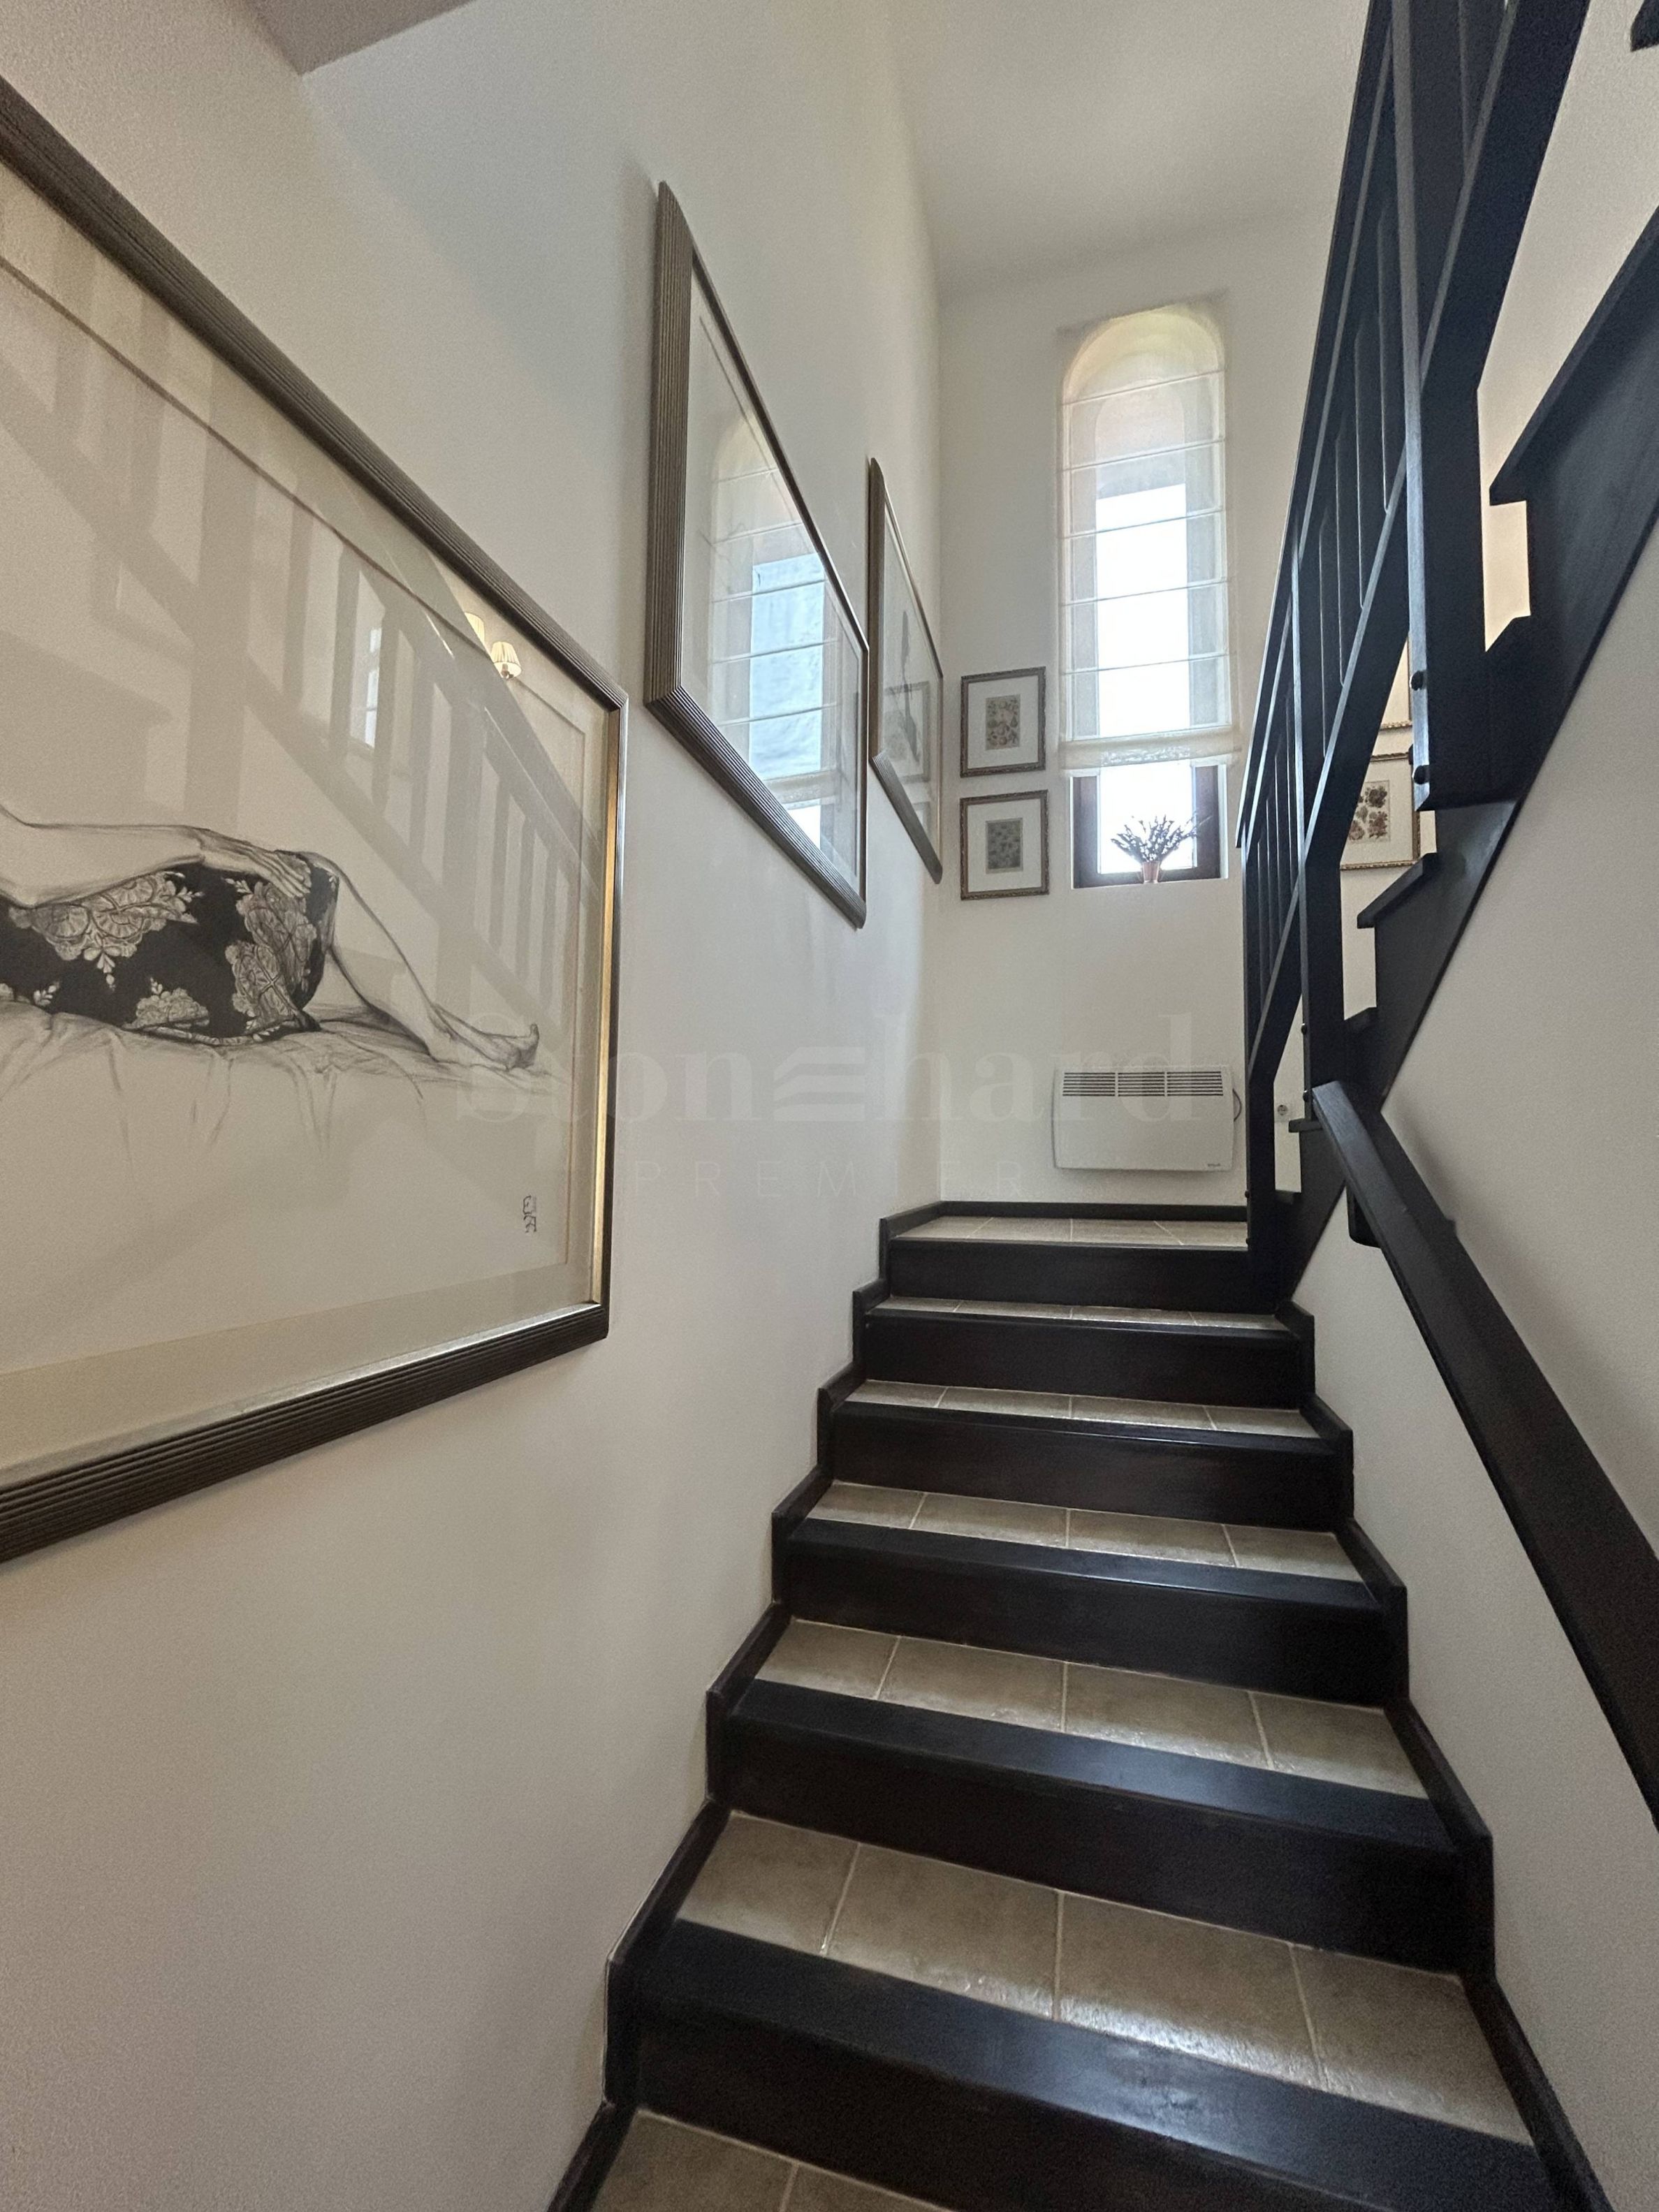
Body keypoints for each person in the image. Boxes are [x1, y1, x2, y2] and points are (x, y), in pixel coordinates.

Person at [0, 798, 536, 1071]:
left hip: (87, 964)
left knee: (306, 937)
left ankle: (446, 1030)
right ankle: (444, 1036)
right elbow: (30, 873)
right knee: (315, 881)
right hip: (105, 959)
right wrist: (202, 843)